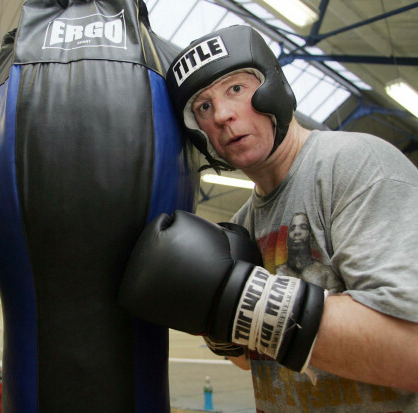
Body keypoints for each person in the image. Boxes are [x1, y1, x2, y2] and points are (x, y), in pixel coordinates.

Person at [118, 25, 418, 412]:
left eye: (236, 90)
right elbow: (252, 362)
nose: (223, 115)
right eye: (203, 107)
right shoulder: (241, 223)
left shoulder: (354, 164)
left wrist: (239, 295)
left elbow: (410, 350)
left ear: (273, 87)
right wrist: (218, 324)